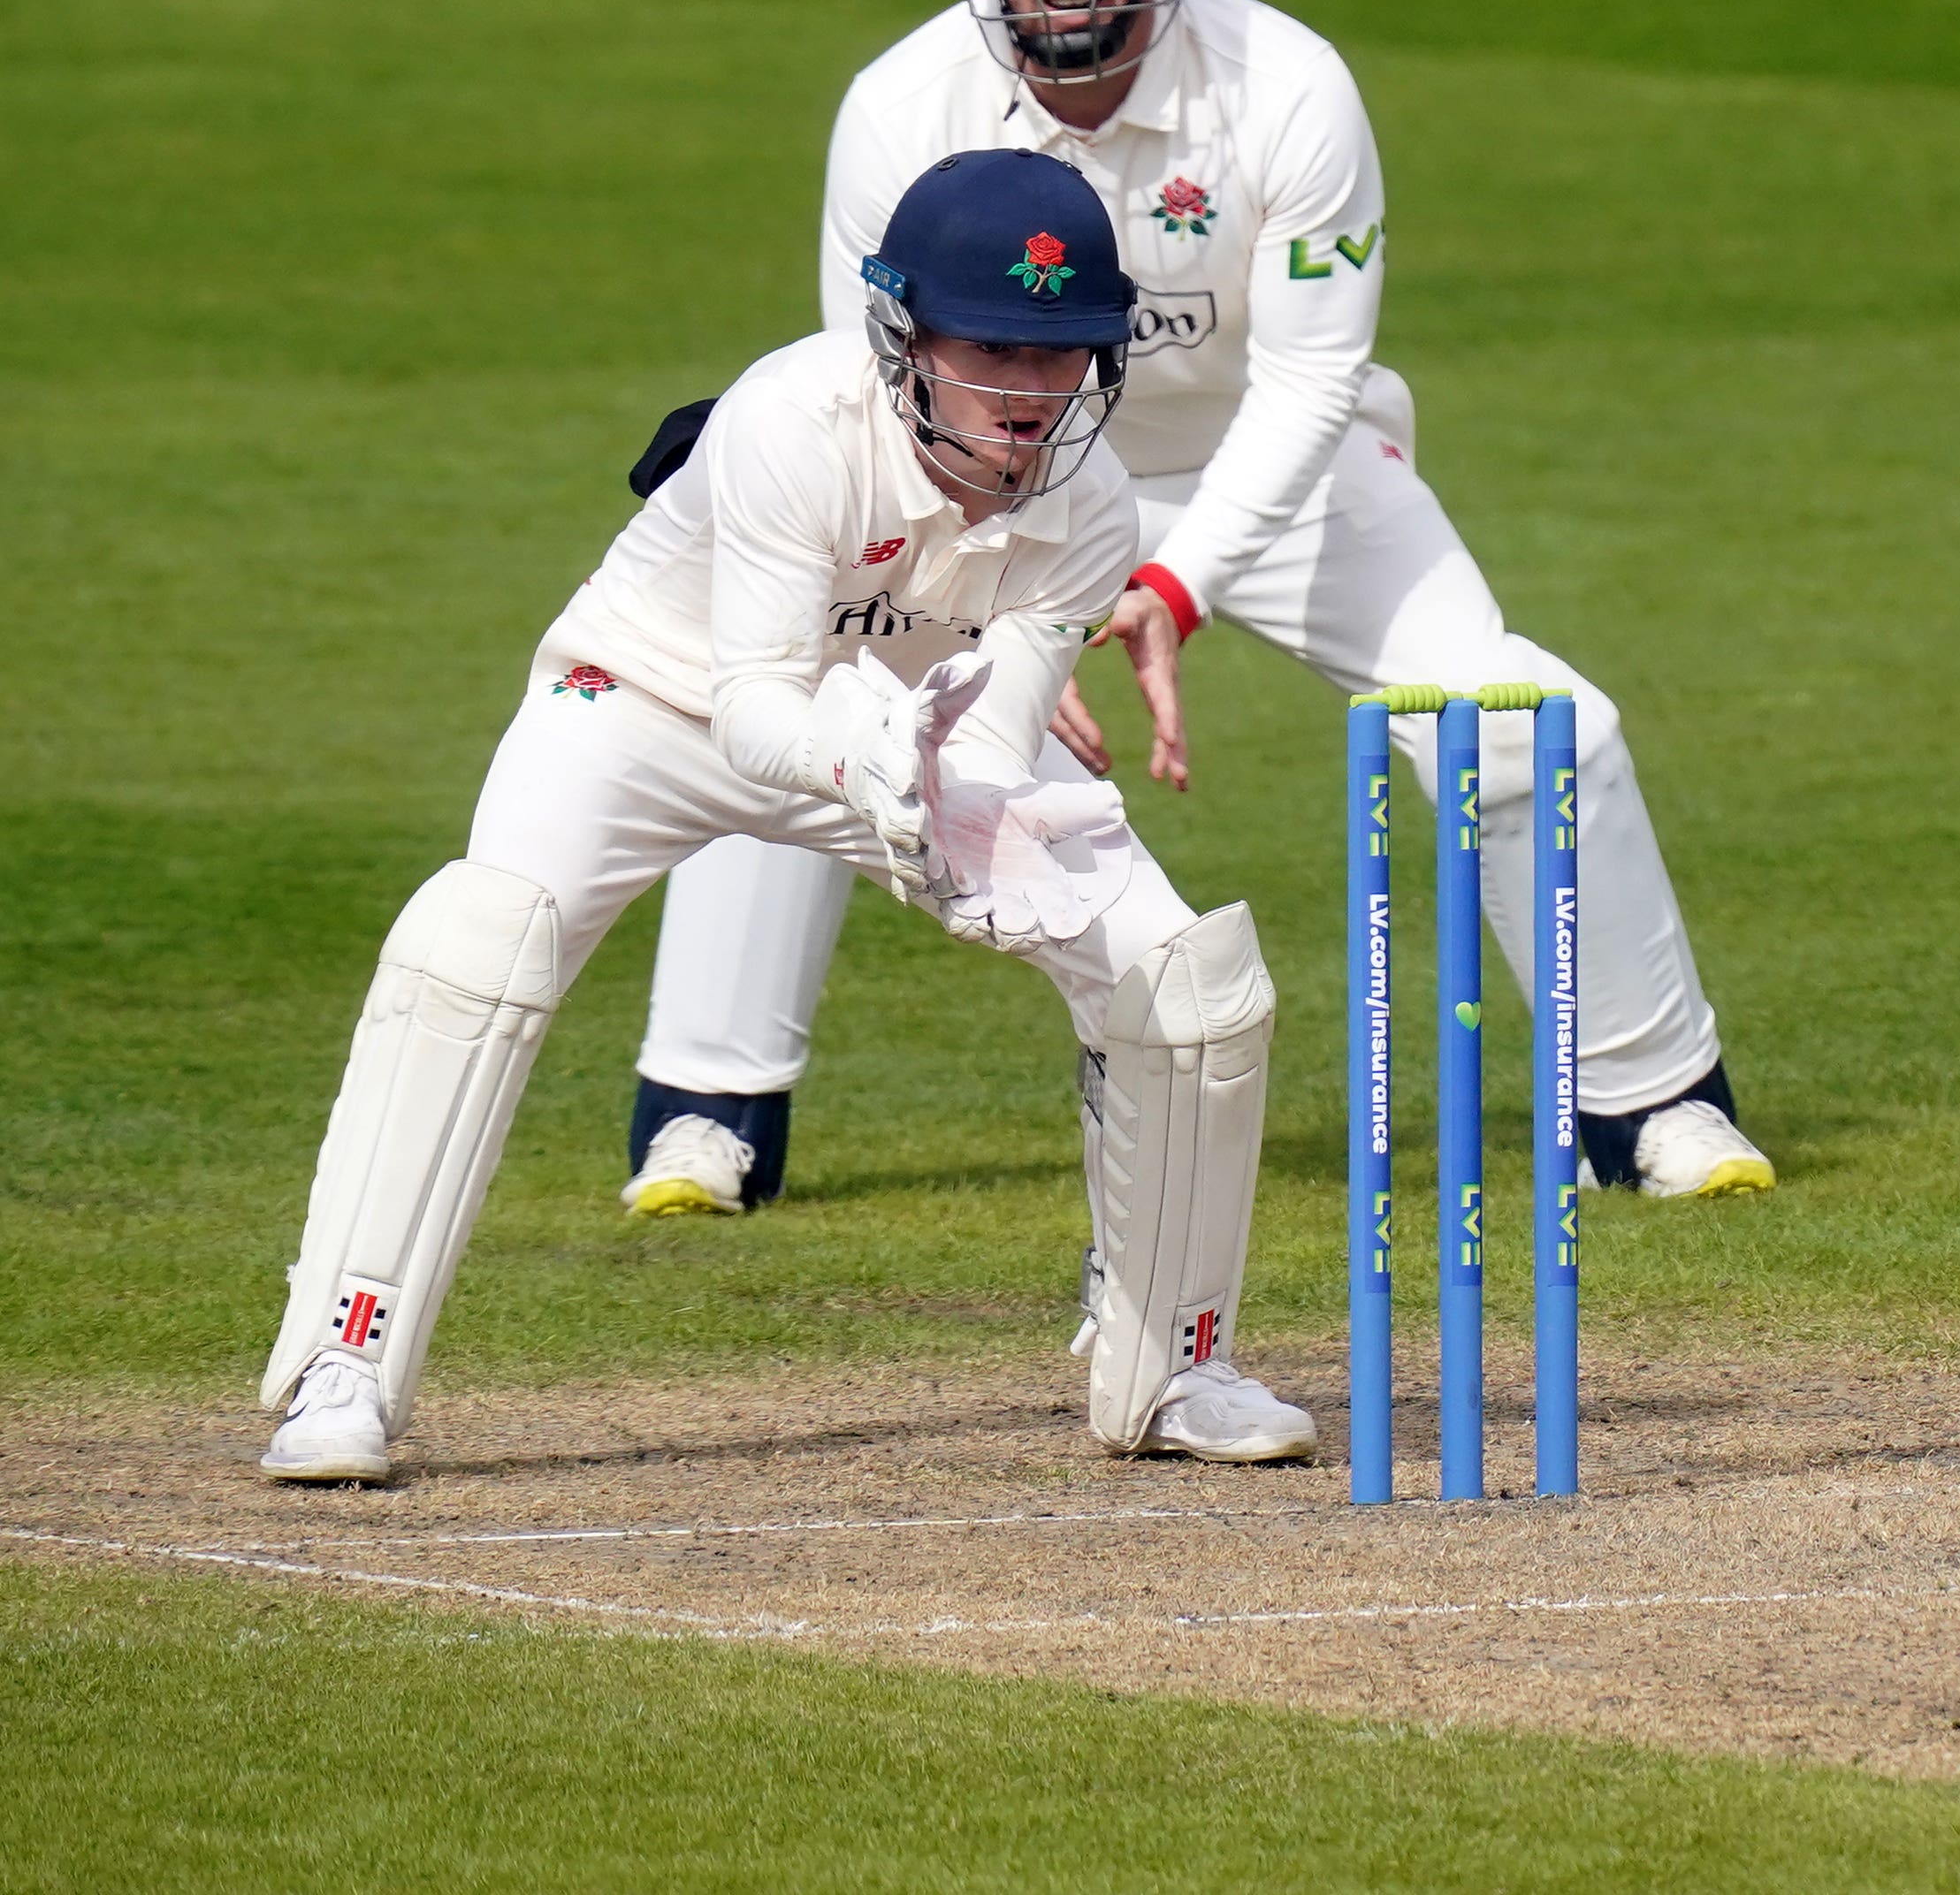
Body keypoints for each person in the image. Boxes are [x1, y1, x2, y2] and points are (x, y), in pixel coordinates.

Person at [615, 0, 1770, 1225]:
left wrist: (1171, 582)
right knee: (792, 695)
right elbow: (878, 397)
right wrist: (995, 617)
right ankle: (709, 1109)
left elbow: (1309, 382)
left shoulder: (1285, 84)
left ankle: (1653, 1094)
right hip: (990, 485)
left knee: (1522, 726)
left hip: (1272, 477)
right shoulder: (900, 107)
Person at [261, 151, 1320, 1481]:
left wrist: (957, 801)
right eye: (992, 347)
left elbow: (995, 722)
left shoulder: (1094, 505)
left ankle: (1176, 1364)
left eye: (1063, 355)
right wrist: (870, 763)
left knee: (1183, 980)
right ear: (905, 336)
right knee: (483, 939)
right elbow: (753, 704)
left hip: (904, 735)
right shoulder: (792, 422)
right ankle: (343, 1362)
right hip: (647, 700)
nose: (1027, 393)